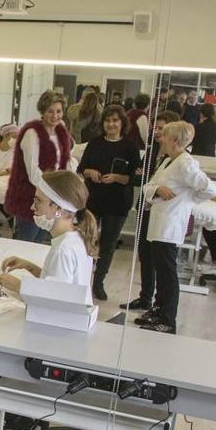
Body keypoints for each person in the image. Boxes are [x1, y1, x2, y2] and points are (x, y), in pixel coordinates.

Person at [135, 121, 216, 334]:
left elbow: (209, 189)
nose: (160, 138)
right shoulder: (169, 161)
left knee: (167, 273)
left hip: (170, 223)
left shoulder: (185, 164)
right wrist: (158, 189)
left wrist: (186, 200)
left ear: (174, 140)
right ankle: (158, 309)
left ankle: (168, 318)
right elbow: (147, 186)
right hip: (159, 222)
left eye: (163, 135)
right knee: (160, 270)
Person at [0, 170, 98, 301]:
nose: (32, 207)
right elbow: (57, 284)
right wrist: (29, 266)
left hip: (62, 319)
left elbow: (56, 298)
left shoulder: (63, 249)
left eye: (38, 201)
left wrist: (19, 286)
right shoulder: (76, 236)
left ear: (57, 209)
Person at [77, 106, 141, 300]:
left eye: (115, 120)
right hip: (94, 199)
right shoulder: (95, 143)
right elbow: (82, 168)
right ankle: (80, 279)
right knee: (85, 239)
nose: (111, 124)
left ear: (122, 123)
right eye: (107, 120)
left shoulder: (130, 147)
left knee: (108, 244)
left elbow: (135, 178)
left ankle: (98, 282)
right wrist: (91, 173)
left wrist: (117, 178)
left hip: (117, 202)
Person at [121, 110, 181, 315]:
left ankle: (159, 304)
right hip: (145, 207)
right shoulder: (153, 150)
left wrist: (150, 183)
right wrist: (150, 184)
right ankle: (145, 297)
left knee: (160, 260)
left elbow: (150, 180)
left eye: (162, 129)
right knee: (145, 255)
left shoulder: (178, 159)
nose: (157, 133)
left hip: (163, 213)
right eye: (156, 128)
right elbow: (139, 177)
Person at [5, 90, 73, 243]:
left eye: (58, 111)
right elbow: (33, 172)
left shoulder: (61, 132)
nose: (55, 116)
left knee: (40, 242)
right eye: (50, 111)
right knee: (26, 241)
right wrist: (51, 192)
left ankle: (33, 267)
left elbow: (65, 162)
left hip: (52, 198)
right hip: (31, 198)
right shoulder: (32, 133)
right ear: (42, 111)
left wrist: (66, 189)